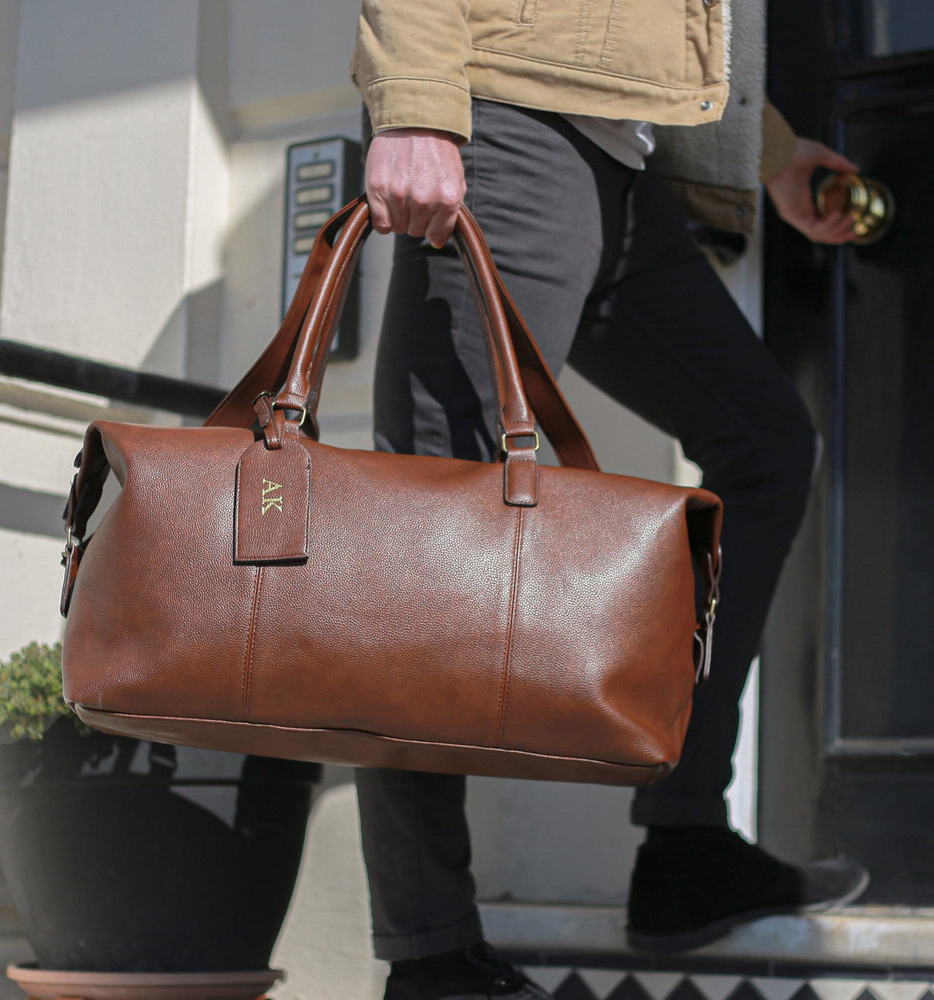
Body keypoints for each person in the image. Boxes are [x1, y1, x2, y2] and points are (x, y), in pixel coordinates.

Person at [349, 2, 870, 997]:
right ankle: (428, 955)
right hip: (511, 126)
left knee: (763, 445)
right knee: (432, 525)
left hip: (622, 169)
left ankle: (684, 846)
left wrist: (762, 147)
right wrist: (415, 103)